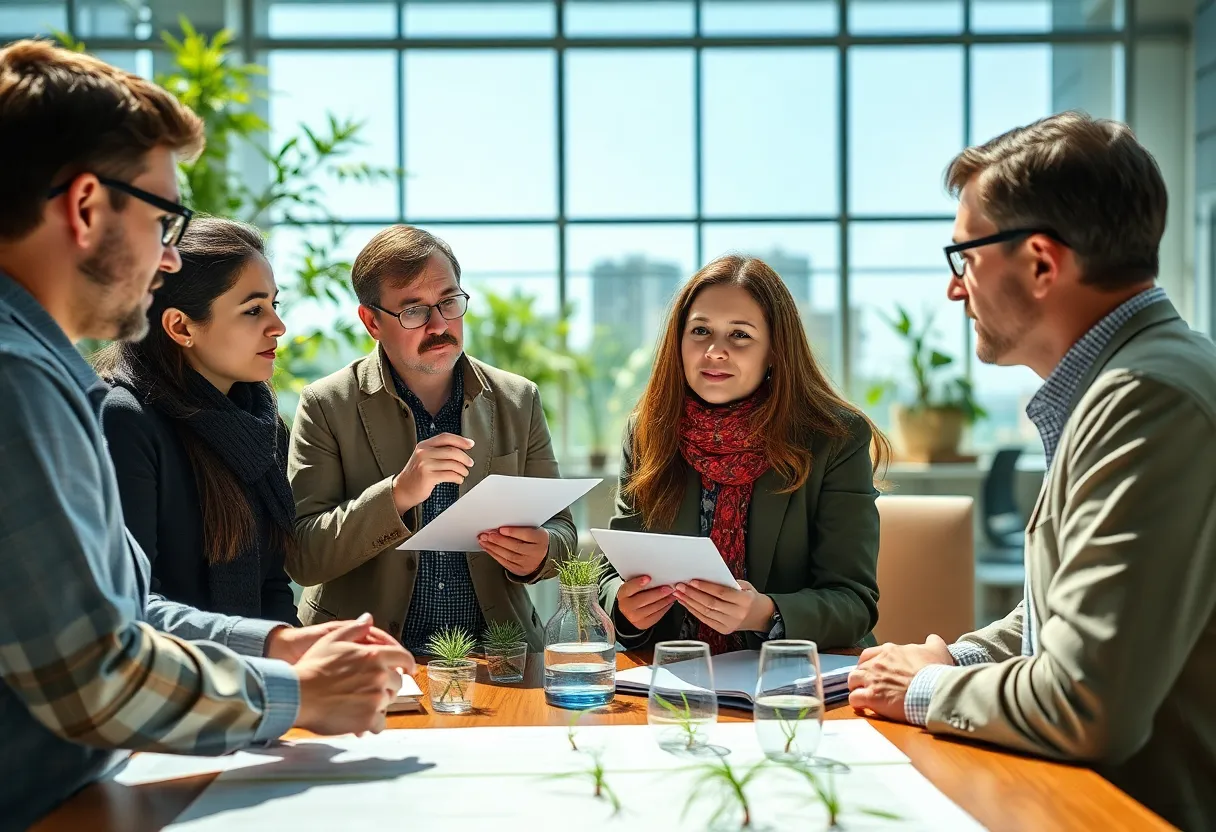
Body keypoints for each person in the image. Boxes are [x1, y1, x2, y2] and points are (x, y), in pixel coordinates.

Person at [0, 40, 413, 830]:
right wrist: (298, 695)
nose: (166, 260)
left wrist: (277, 646)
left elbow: (117, 616)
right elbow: (94, 677)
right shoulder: (17, 380)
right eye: (164, 221)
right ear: (86, 207)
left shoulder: (44, 376)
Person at [846, 111, 1216, 832]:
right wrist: (954, 654)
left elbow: (1085, 705)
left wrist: (927, 686)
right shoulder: (1126, 381)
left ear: (1042, 262)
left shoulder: (1146, 400)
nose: (957, 291)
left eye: (966, 259)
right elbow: (1064, 616)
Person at [286, 224, 577, 653]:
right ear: (371, 322)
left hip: (500, 655)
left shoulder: (518, 399)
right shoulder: (326, 404)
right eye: (414, 310)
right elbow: (304, 556)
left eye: (449, 302)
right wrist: (398, 494)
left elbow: (564, 534)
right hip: (369, 656)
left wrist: (540, 554)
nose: (439, 324)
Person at [599, 254, 889, 654]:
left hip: (795, 678)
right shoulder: (648, 431)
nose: (715, 351)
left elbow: (853, 603)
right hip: (677, 677)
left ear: (773, 350)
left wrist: (765, 613)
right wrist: (624, 606)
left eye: (739, 335)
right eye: (700, 331)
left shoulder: (835, 438)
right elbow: (612, 574)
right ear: (678, 342)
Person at [95, 217, 299, 624]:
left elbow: (273, 585)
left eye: (274, 305)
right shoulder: (125, 421)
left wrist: (307, 658)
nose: (278, 326)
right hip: (169, 677)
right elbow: (131, 603)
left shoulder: (262, 427)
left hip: (258, 677)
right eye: (253, 309)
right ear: (181, 326)